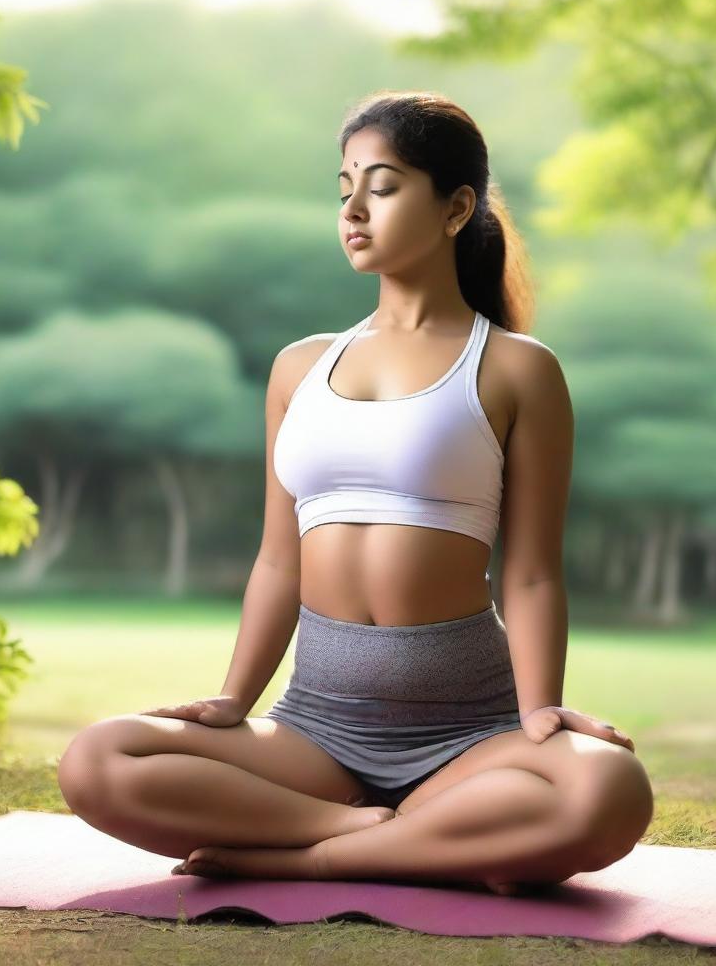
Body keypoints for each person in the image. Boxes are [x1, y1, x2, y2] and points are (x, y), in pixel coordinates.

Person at [57, 90, 654, 896]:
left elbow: (534, 571)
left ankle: (311, 859)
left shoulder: (518, 369)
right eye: (344, 189)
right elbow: (278, 562)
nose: (354, 210)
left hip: (469, 735)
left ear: (456, 208)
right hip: (317, 732)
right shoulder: (298, 368)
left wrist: (541, 709)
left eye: (383, 185)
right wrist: (238, 697)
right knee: (98, 760)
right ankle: (377, 833)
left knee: (609, 790)